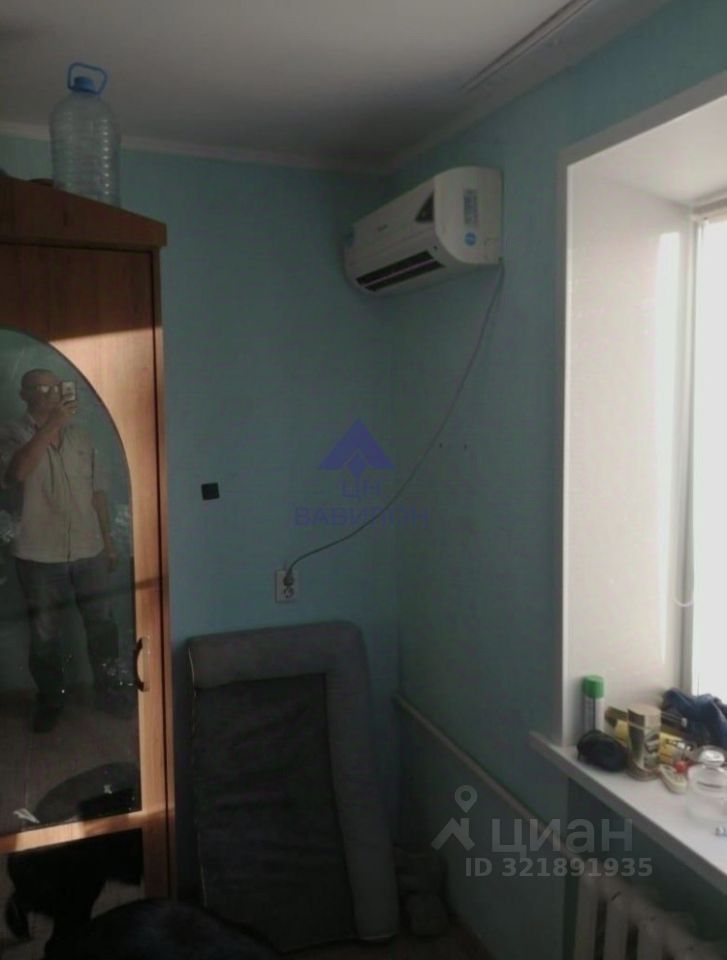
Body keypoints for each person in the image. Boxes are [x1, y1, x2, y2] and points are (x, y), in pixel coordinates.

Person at [0, 369, 121, 732]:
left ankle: (111, 693)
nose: (52, 393)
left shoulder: (81, 435)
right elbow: (16, 474)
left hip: (89, 548)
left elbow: (98, 492)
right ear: (24, 394)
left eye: (57, 387)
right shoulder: (9, 433)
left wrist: (108, 541)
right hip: (37, 554)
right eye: (42, 388)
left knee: (102, 626)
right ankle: (51, 701)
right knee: (45, 634)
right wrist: (51, 424)